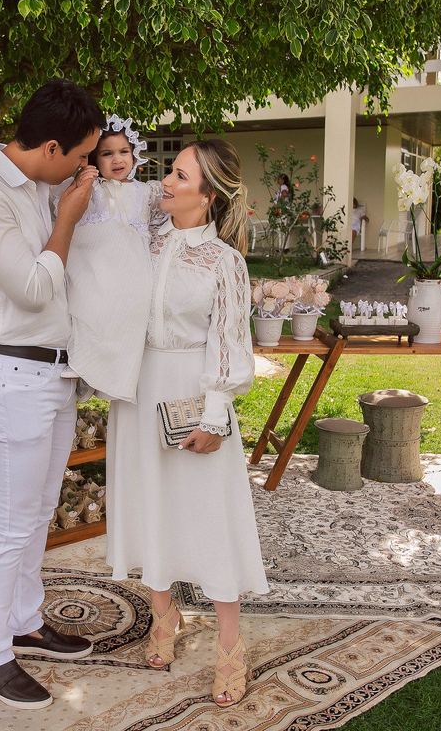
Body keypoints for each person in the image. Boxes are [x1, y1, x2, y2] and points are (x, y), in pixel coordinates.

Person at [0, 79, 104, 710]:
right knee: (10, 523)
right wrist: (67, 217)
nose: (84, 168)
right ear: (51, 145)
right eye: (81, 154)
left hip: (52, 376)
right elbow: (35, 289)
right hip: (11, 376)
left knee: (39, 512)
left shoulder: (37, 184)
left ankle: (26, 621)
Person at [106, 138, 268, 707]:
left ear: (208, 194)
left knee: (208, 517)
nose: (166, 183)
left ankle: (230, 645)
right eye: (169, 172)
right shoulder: (141, 242)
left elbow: (230, 341)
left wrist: (216, 415)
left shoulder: (225, 261)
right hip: (137, 393)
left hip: (192, 393)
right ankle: (163, 616)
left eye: (179, 176)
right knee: (153, 506)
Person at [58, 114, 164, 401]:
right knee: (88, 307)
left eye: (123, 152)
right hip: (96, 265)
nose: (117, 159)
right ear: (94, 158)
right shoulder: (90, 189)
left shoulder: (146, 191)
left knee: (125, 319)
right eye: (107, 154)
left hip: (131, 272)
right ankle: (83, 364)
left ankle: (110, 374)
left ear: (134, 154)